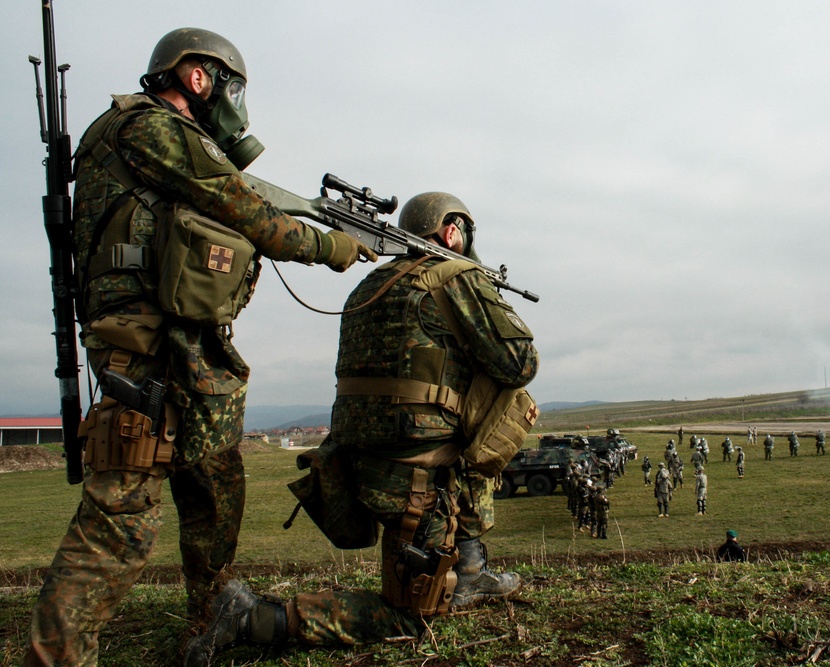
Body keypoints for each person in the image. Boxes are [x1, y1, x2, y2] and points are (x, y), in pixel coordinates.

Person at [24, 28, 376, 666]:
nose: (235, 102)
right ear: (197, 77)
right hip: (145, 355)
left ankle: (210, 615)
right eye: (231, 86)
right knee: (121, 524)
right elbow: (245, 209)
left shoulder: (135, 138)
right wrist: (333, 245)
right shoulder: (149, 128)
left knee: (215, 481)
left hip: (174, 350)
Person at [185, 191, 538, 662]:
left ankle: (469, 570)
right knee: (410, 618)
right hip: (417, 481)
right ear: (452, 231)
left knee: (465, 419)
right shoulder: (458, 277)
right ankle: (253, 618)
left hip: (359, 466)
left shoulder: (371, 284)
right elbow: (519, 364)